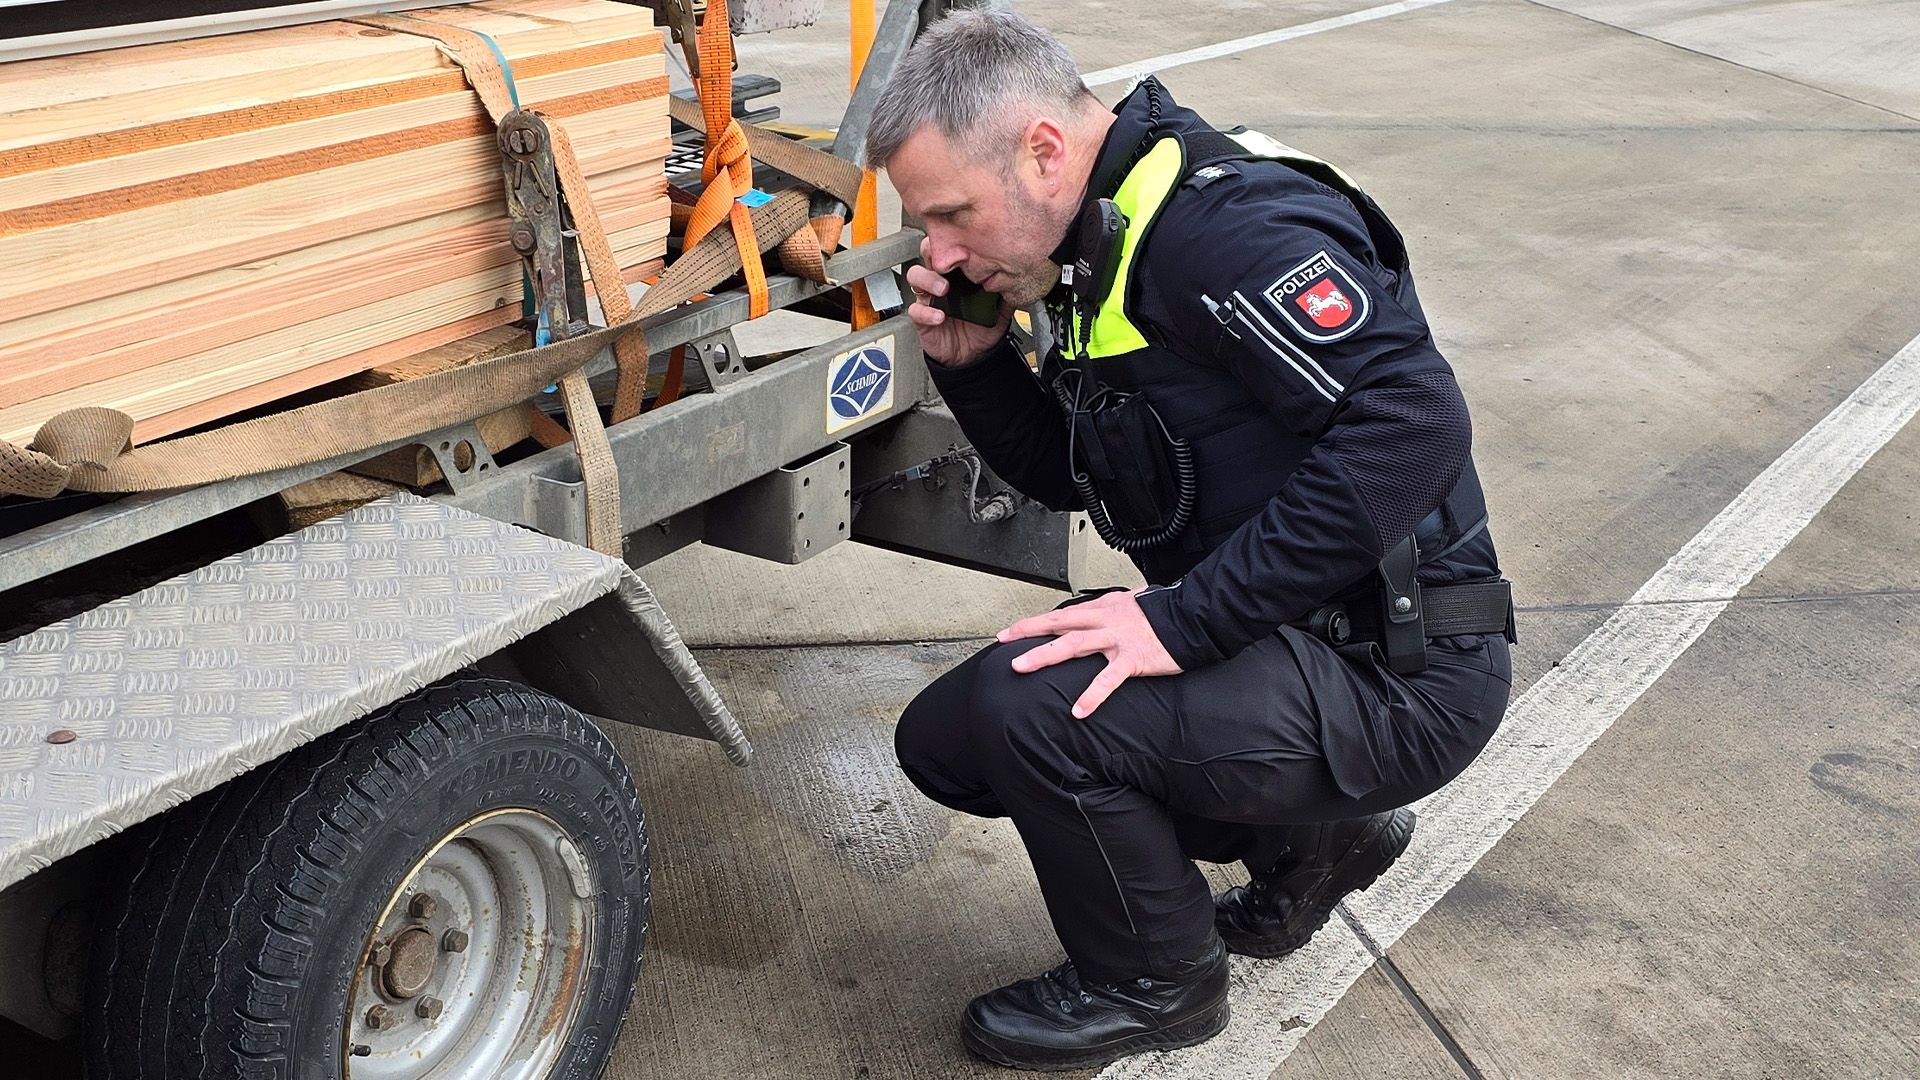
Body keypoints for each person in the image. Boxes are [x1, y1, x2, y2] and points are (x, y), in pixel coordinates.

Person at [866, 9, 1515, 1071]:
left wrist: (1180, 624)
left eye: (950, 214)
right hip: (1283, 638)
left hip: (1399, 669)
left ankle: (1156, 981)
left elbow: (1416, 424)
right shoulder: (1097, 234)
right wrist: (974, 364)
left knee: (1036, 717)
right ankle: (1316, 835)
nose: (939, 252)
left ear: (1042, 151)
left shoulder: (1223, 230)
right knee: (951, 741)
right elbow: (1083, 472)